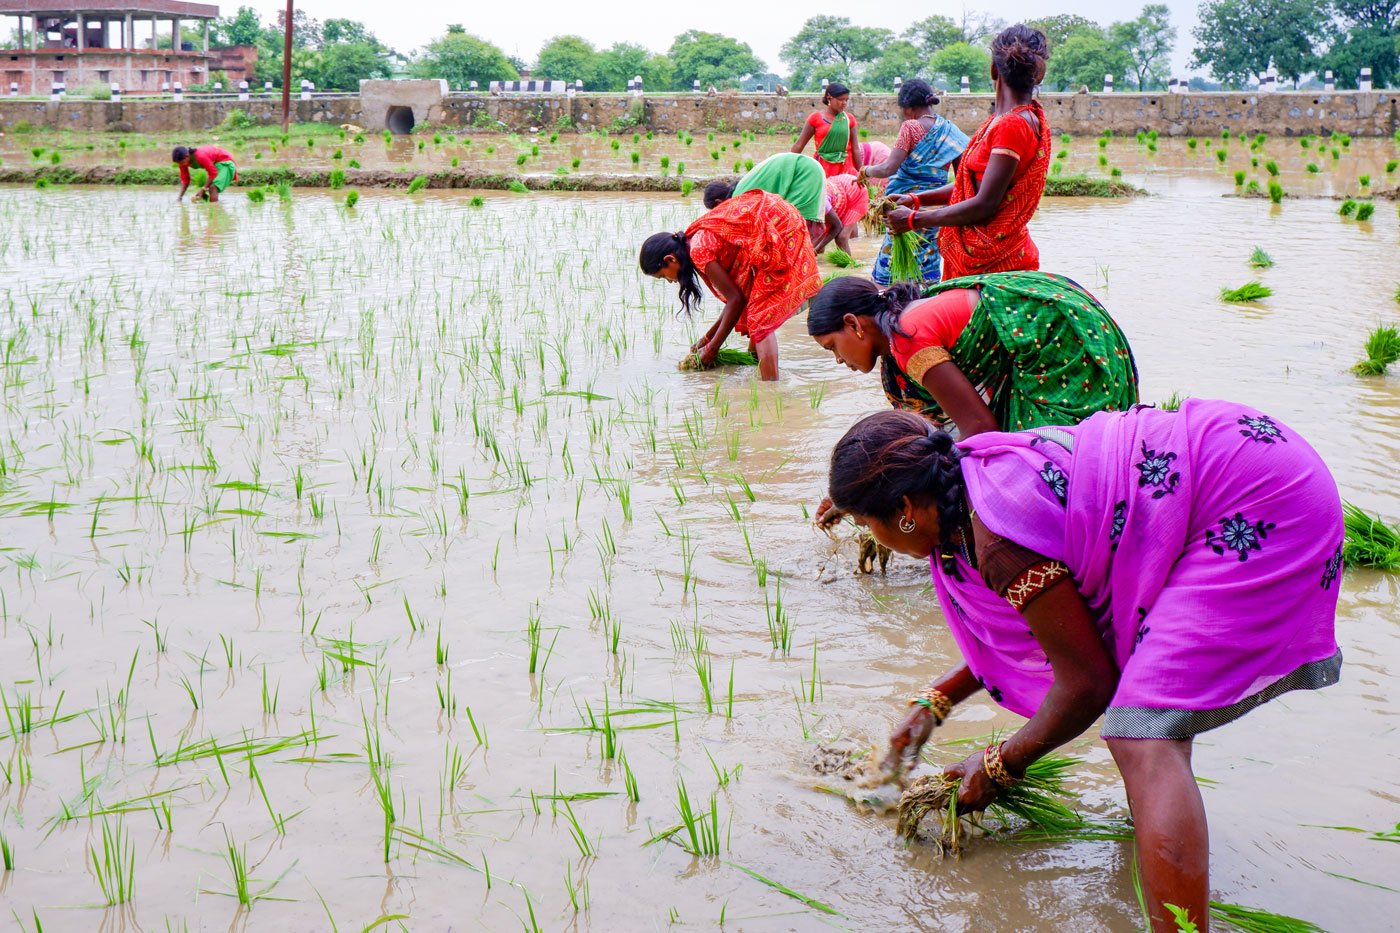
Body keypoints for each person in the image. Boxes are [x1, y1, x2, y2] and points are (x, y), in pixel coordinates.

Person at [827, 401, 1342, 932]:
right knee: (1150, 709)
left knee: (1143, 736)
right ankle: (1154, 839)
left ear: (906, 508)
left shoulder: (1000, 541)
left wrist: (1000, 762)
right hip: (1243, 457)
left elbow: (1088, 683)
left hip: (1257, 502)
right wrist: (932, 704)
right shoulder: (975, 477)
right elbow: (1051, 631)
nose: (872, 534)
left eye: (866, 521)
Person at [809, 270, 1138, 527]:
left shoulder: (908, 338)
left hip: (1058, 344)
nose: (838, 359)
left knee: (1046, 464)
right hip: (1050, 328)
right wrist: (854, 496)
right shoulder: (898, 336)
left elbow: (980, 430)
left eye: (831, 347)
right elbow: (918, 434)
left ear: (853, 324)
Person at [885, 26, 1052, 280]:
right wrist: (916, 199)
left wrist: (914, 220)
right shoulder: (1007, 120)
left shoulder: (1012, 124)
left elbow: (985, 203)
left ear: (994, 70)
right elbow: (972, 189)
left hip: (991, 263)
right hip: (991, 254)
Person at [640, 189, 821, 381]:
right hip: (779, 216)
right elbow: (737, 298)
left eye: (662, 276)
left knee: (761, 322)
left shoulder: (699, 251)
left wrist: (712, 348)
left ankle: (771, 391)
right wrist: (707, 339)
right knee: (756, 308)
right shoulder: (694, 242)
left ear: (670, 259)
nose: (669, 281)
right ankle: (756, 362)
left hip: (780, 226)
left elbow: (736, 299)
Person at [858, 79, 969, 284]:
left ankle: (889, 306)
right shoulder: (951, 131)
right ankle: (924, 300)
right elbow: (964, 180)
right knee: (927, 257)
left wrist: (865, 170)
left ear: (908, 108)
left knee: (890, 263)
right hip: (934, 210)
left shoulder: (911, 127)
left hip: (903, 204)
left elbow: (888, 168)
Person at [703, 152, 844, 250]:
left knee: (793, 230)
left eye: (716, 209)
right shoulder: (740, 189)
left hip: (804, 173)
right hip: (807, 168)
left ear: (718, 202)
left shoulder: (740, 199)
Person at [791, 83, 863, 178]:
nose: (844, 103)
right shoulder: (815, 118)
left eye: (846, 99)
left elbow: (855, 149)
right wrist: (789, 165)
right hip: (823, 168)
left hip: (846, 168)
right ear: (829, 98)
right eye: (840, 99)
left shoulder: (849, 119)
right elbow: (799, 144)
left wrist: (861, 172)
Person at [822, 173, 870, 255]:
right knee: (819, 235)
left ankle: (849, 265)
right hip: (840, 188)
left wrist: (816, 248)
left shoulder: (822, 204)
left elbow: (837, 226)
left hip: (856, 192)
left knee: (841, 238)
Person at [173, 144, 237, 203]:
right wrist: (180, 197)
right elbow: (185, 180)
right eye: (179, 163)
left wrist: (203, 189)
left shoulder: (200, 155)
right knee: (205, 195)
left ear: (187, 156)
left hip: (225, 162)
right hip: (215, 166)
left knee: (213, 188)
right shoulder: (182, 163)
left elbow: (213, 173)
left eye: (181, 162)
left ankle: (214, 211)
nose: (180, 165)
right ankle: (213, 209)